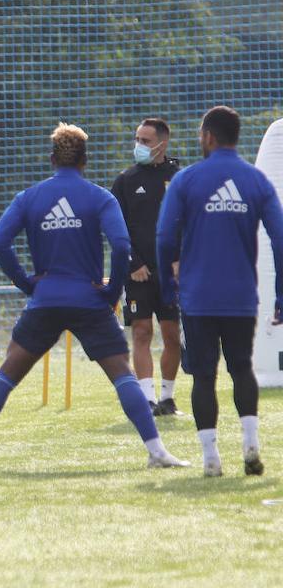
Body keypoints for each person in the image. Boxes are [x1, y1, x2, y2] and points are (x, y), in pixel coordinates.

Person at [0, 123, 186, 470]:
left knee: (7, 374)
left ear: (52, 159)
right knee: (122, 375)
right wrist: (110, 291)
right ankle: (156, 452)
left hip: (45, 300)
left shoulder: (29, 197)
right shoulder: (98, 196)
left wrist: (27, 283)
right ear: (85, 161)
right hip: (90, 301)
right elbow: (121, 245)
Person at [157, 106, 283, 477]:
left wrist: (168, 283)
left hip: (197, 296)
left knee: (204, 376)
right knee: (242, 368)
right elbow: (279, 238)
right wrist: (280, 292)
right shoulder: (256, 181)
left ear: (208, 136)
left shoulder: (186, 180)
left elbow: (165, 237)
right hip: (242, 296)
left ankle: (211, 458)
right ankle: (251, 445)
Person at [110, 118, 183, 415]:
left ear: (162, 145)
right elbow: (115, 229)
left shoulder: (180, 178)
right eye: (137, 139)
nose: (138, 145)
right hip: (138, 272)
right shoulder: (125, 180)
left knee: (172, 335)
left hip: (172, 273)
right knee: (141, 332)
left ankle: (167, 398)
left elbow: (191, 224)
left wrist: (182, 261)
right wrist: (132, 263)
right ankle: (147, 400)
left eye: (146, 141)